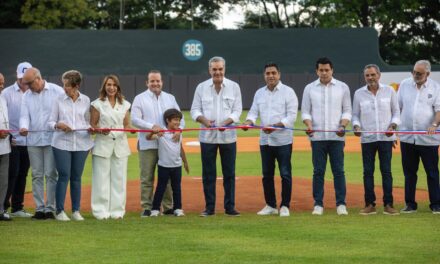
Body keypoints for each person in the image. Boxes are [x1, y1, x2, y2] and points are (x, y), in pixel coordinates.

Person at [242, 62, 298, 217]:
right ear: (264, 75)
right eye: (268, 73)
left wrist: (275, 126)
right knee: (267, 174)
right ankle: (271, 205)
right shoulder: (259, 93)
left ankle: (285, 205)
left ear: (279, 74)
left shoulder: (288, 92)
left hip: (283, 141)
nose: (271, 76)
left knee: (285, 173)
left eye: (273, 73)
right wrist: (248, 122)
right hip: (265, 141)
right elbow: (253, 112)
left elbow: (292, 117)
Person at [190, 56, 242, 217]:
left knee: (229, 173)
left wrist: (226, 122)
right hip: (207, 137)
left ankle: (230, 207)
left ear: (224, 69)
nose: (217, 72)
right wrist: (204, 121)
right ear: (209, 70)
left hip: (228, 137)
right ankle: (209, 208)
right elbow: (194, 110)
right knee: (208, 174)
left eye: (220, 69)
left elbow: (237, 111)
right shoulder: (201, 87)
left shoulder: (234, 87)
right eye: (214, 69)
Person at [301, 57, 352, 216]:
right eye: (321, 70)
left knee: (338, 171)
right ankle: (318, 204)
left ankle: (341, 204)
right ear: (316, 71)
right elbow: (305, 111)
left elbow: (347, 111)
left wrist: (342, 126)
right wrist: (308, 125)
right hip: (317, 138)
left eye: (327, 70)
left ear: (332, 70)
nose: (324, 73)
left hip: (337, 137)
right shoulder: (309, 88)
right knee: (318, 171)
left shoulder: (342, 87)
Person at [131, 70, 184, 217]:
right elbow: (134, 119)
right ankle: (147, 207)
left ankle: (168, 207)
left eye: (158, 81)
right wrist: (151, 126)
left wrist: (179, 130)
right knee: (147, 177)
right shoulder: (139, 98)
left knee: (166, 178)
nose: (155, 83)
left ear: (162, 82)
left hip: (167, 145)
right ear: (147, 83)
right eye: (152, 81)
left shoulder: (170, 98)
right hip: (147, 143)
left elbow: (181, 118)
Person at [352, 64, 400, 215]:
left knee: (386, 172)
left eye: (373, 75)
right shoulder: (359, 93)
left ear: (379, 75)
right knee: (368, 172)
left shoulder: (390, 91)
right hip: (367, 139)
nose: (370, 78)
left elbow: (396, 113)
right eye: (367, 75)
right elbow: (355, 115)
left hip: (386, 138)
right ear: (364, 77)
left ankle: (388, 204)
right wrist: (356, 126)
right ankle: (369, 204)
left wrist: (393, 126)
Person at [47, 70, 93, 221]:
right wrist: (58, 125)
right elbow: (50, 122)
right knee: (64, 175)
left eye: (67, 85)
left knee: (76, 177)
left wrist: (90, 127)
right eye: (64, 84)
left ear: (76, 85)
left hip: (82, 144)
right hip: (61, 143)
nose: (64, 88)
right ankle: (59, 211)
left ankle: (76, 211)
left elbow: (87, 121)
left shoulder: (86, 100)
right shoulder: (58, 99)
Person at [20, 67, 64, 220]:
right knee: (37, 175)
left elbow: (62, 112)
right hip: (33, 141)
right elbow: (24, 116)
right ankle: (39, 209)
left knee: (51, 174)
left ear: (38, 79)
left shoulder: (57, 91)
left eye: (30, 83)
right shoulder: (26, 96)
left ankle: (50, 209)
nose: (28, 87)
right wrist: (23, 126)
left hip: (53, 140)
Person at [398, 60, 440, 214]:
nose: (416, 75)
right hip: (407, 137)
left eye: (419, 73)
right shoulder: (404, 84)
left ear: (427, 74)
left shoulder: (436, 88)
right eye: (414, 72)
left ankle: (436, 204)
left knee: (432, 172)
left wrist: (434, 125)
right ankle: (410, 204)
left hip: (428, 139)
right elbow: (398, 106)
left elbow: (439, 110)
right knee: (409, 173)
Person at [90, 75, 132, 220]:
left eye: (114, 85)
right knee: (101, 180)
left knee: (119, 180)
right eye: (108, 84)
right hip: (102, 145)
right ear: (104, 86)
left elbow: (127, 125)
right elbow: (93, 125)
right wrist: (100, 130)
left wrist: (131, 129)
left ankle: (117, 212)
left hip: (120, 146)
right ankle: (100, 212)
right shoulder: (97, 104)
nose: (111, 87)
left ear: (118, 87)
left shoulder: (125, 104)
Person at [2, 62, 32, 218]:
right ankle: (4, 206)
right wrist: (9, 135)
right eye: (21, 78)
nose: (24, 82)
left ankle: (17, 207)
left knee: (22, 174)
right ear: (17, 75)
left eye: (26, 79)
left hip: (28, 141)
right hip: (11, 140)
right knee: (10, 174)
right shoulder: (6, 93)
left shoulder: (34, 93)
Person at [148, 109, 189, 217]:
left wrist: (185, 162)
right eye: (175, 120)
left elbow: (180, 148)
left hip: (177, 165)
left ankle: (178, 208)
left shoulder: (179, 133)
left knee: (176, 188)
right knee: (161, 187)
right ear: (168, 120)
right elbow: (148, 138)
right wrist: (153, 131)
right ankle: (155, 209)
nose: (178, 122)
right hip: (164, 166)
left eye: (179, 120)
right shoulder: (162, 133)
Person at [0, 72, 11, 221]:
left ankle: (1, 210)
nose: (1, 86)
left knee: (3, 180)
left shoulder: (2, 97)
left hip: (4, 146)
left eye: (2, 83)